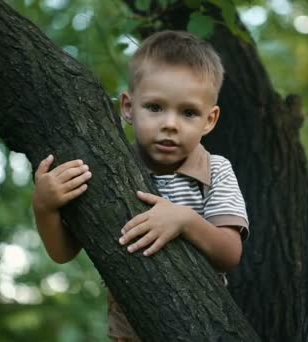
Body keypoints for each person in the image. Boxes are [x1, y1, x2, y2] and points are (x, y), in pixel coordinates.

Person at [31, 30, 249, 341]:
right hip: (129, 325)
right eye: (155, 107)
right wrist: (44, 206)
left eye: (188, 113)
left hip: (198, 320)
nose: (170, 124)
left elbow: (230, 253)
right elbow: (64, 251)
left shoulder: (216, 170)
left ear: (209, 120)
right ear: (129, 108)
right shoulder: (108, 168)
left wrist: (184, 220)